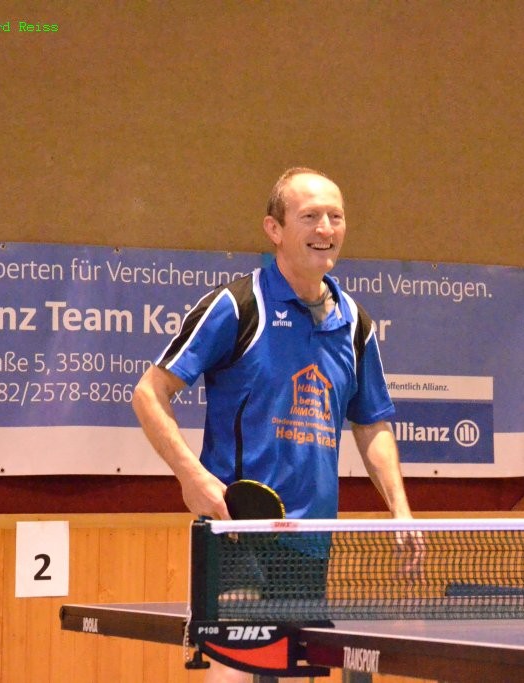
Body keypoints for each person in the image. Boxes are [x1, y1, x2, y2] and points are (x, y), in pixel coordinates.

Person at [132, 167, 419, 682]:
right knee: (237, 669)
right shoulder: (238, 306)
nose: (325, 228)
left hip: (310, 541)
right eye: (309, 216)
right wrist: (192, 477)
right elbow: (149, 393)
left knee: (293, 674)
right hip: (240, 528)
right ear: (275, 229)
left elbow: (371, 424)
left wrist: (400, 509)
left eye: (335, 216)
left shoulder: (355, 324)